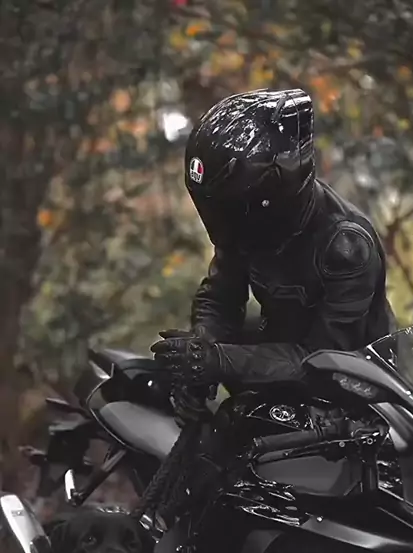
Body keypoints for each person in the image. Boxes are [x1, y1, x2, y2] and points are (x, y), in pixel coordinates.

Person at [152, 86, 396, 418]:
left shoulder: (347, 247)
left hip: (357, 393)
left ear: (270, 194)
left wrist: (218, 361)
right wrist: (200, 349)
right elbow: (221, 296)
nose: (223, 220)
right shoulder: (246, 228)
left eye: (230, 207)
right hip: (280, 360)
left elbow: (326, 362)